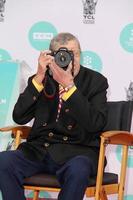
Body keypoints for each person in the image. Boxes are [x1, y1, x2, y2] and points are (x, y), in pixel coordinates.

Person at [0, 32, 108, 200]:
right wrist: (39, 77)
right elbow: (19, 116)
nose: (70, 60)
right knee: (3, 161)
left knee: (79, 168)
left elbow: (96, 124)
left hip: (77, 152)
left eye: (75, 54)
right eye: (63, 54)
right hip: (38, 150)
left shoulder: (95, 81)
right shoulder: (41, 79)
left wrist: (70, 87)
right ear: (52, 56)